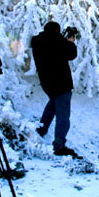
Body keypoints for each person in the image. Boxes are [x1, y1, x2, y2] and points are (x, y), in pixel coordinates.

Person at [31, 21, 79, 158]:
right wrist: (70, 41)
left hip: (47, 83)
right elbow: (71, 54)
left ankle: (41, 130)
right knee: (63, 116)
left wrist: (62, 39)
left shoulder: (38, 42)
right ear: (57, 31)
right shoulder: (58, 42)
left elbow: (54, 51)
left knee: (53, 105)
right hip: (62, 83)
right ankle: (59, 146)